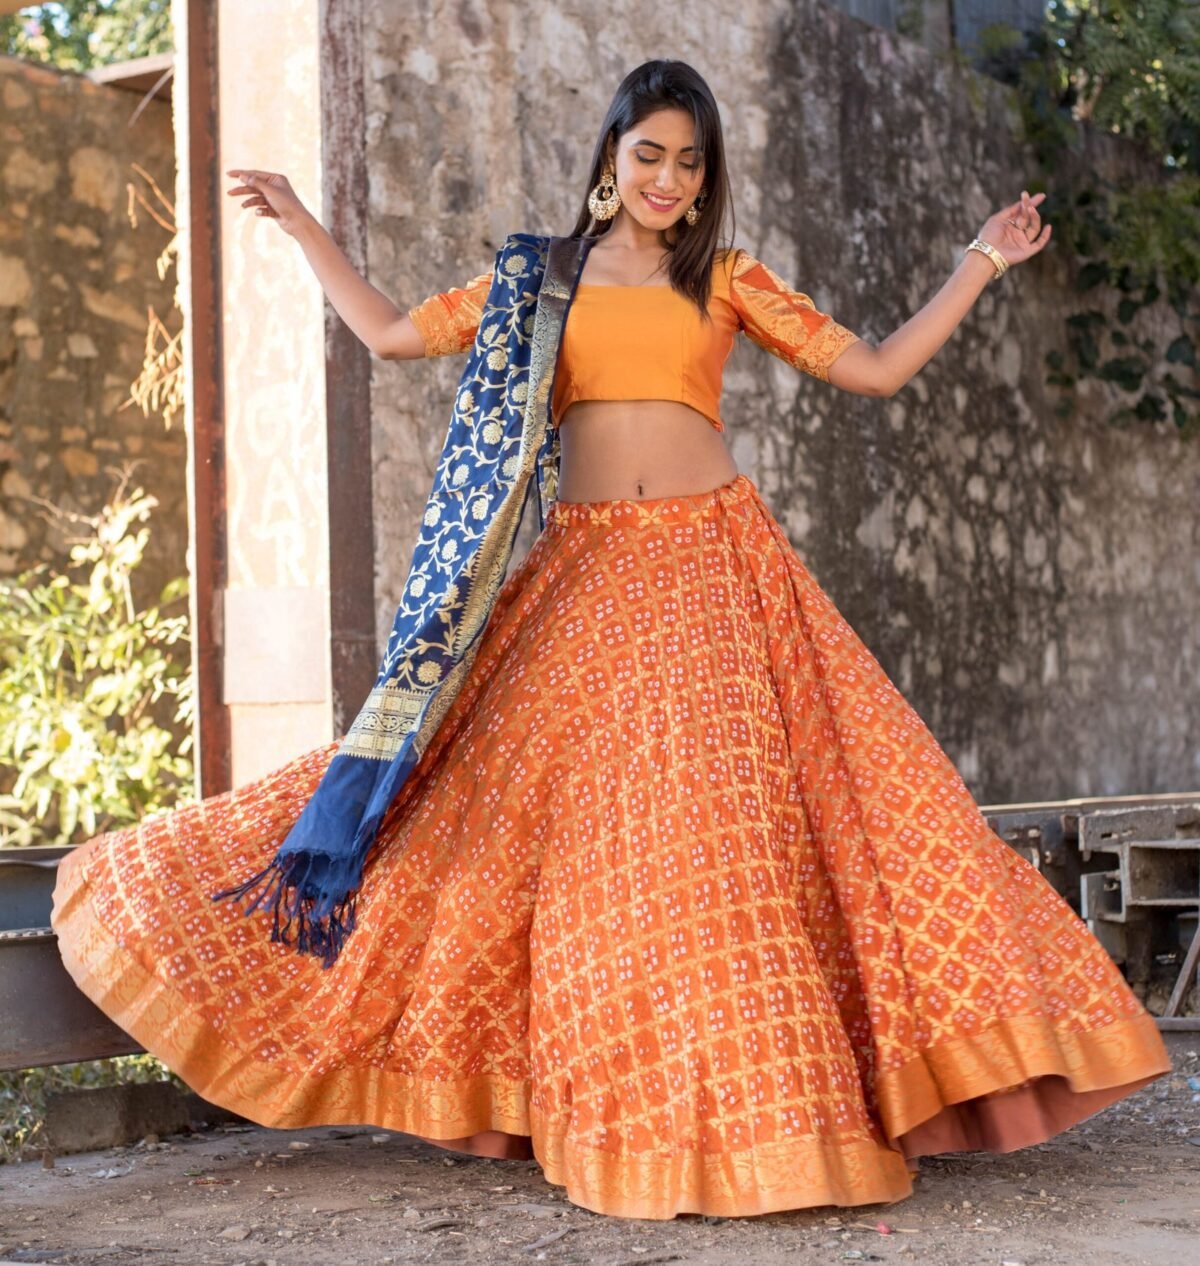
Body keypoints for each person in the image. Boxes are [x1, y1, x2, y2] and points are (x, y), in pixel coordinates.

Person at [51, 59, 1171, 1221]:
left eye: (690, 163)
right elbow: (389, 335)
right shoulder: (538, 285)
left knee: (741, 841)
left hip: (716, 575)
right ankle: (606, 1103)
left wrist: (978, 263)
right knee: (489, 811)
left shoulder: (729, 280)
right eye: (650, 155)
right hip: (583, 579)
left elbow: (875, 368)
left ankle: (757, 1118)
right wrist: (302, 223)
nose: (668, 180)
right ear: (610, 156)